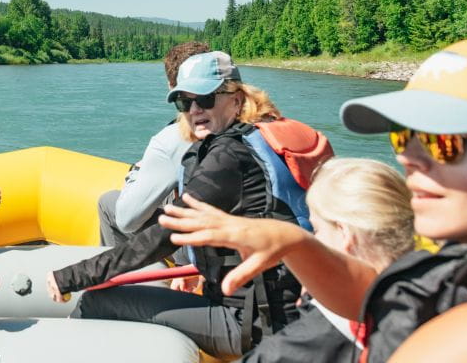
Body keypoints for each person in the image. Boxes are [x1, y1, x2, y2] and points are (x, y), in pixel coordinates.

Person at [159, 36, 467, 362]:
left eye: (444, 141)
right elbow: (386, 299)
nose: (407, 158)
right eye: (404, 137)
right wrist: (298, 244)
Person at [47, 51, 329, 359]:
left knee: (95, 302)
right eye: (184, 102)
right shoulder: (264, 137)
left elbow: (164, 236)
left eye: (206, 99)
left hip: (250, 323)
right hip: (292, 311)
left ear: (236, 99)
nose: (195, 110)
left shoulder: (229, 158)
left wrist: (71, 277)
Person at [242, 158, 415, 362]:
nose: (315, 238)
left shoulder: (331, 326)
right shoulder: (434, 285)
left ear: (345, 234)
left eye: (317, 230)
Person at [97, 40, 209, 248]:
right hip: (243, 240)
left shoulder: (173, 137)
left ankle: (120, 277)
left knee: (108, 203)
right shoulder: (243, 121)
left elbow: (127, 219)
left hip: (193, 248)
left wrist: (136, 173)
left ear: (171, 87)